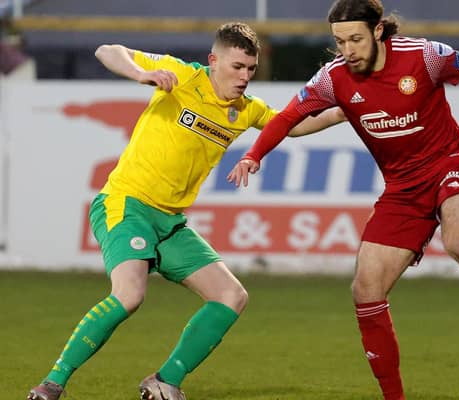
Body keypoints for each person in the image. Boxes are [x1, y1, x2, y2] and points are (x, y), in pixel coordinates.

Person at [227, 1, 459, 399]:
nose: (347, 50)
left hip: (450, 162)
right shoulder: (333, 78)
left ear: (378, 32)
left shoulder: (424, 56)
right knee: (366, 288)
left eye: (356, 39)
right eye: (340, 41)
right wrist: (253, 155)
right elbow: (288, 118)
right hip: (402, 188)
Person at [27, 22, 345, 400]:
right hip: (127, 203)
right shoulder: (182, 77)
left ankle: (164, 381)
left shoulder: (244, 110)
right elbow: (107, 50)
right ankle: (52, 383)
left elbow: (292, 126)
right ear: (213, 61)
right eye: (236, 67)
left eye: (250, 70)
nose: (244, 77)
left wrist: (348, 109)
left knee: (231, 296)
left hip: (171, 223)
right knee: (129, 295)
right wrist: (142, 73)